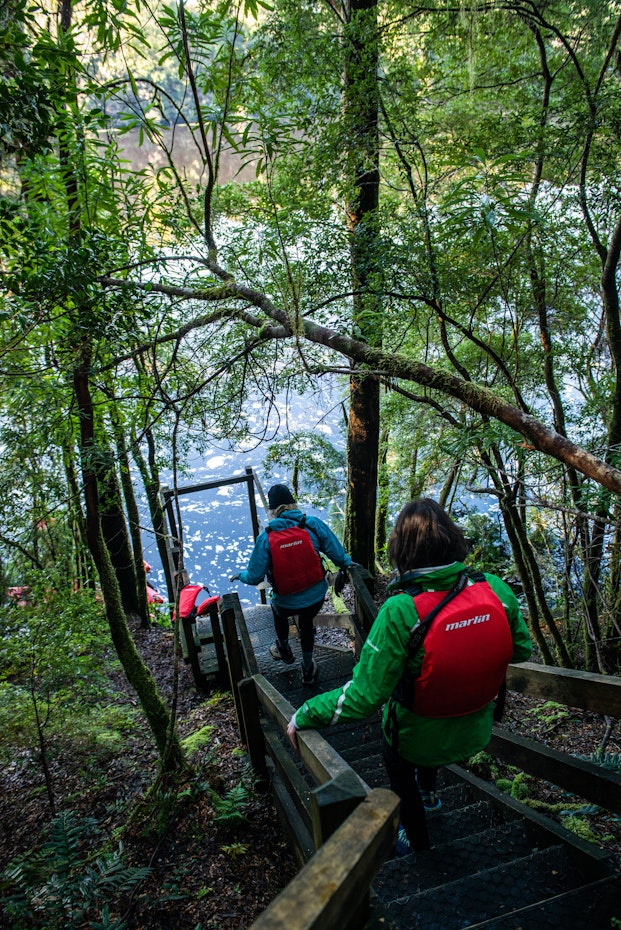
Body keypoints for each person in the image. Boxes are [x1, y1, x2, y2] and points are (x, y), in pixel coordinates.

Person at [286, 498, 532, 855]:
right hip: (476, 727)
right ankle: (430, 795)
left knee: (399, 762)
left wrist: (304, 713)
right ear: (452, 537)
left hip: (416, 738)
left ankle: (417, 843)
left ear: (402, 550)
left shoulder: (401, 610)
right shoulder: (494, 587)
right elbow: (521, 649)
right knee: (427, 716)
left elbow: (363, 697)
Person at [230, 483, 353, 685]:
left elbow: (254, 577)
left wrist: (239, 576)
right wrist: (350, 567)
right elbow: (339, 557)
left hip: (285, 601)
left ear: (272, 510)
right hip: (315, 597)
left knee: (277, 610)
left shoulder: (266, 537)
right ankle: (307, 668)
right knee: (306, 623)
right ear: (293, 504)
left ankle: (284, 649)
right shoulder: (312, 524)